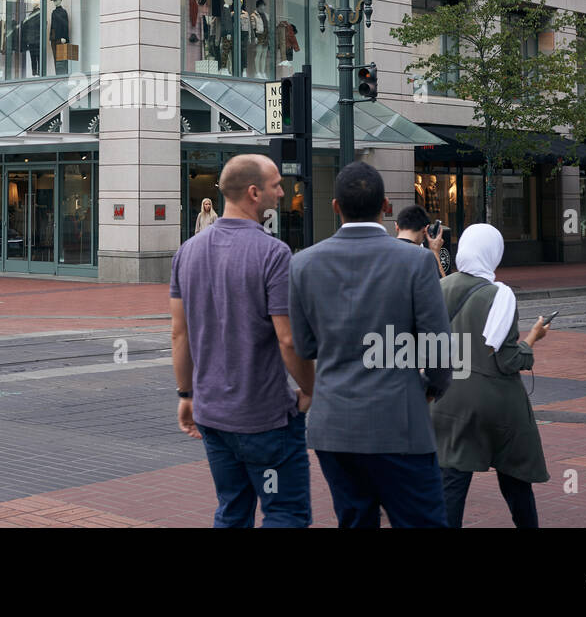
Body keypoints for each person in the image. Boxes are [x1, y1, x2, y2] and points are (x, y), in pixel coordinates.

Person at [289, 161, 453, 528]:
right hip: (401, 422)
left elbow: (304, 345)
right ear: (386, 205)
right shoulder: (416, 261)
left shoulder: (302, 265)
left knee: (355, 520)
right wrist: (430, 389)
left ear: (335, 206)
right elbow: (439, 347)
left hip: (335, 427)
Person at [169, 154, 314, 528]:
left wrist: (186, 396)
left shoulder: (187, 252)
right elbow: (287, 339)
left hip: (212, 415)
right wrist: (310, 388)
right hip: (265, 417)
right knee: (285, 512)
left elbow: (179, 332)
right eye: (276, 185)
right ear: (254, 192)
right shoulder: (274, 253)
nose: (283, 192)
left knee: (232, 509)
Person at [432, 223, 552, 528]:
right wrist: (533, 338)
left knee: (452, 481)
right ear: (494, 252)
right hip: (496, 403)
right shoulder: (500, 295)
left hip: (447, 399)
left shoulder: (438, 288)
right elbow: (508, 359)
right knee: (515, 476)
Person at [394, 205, 447, 279]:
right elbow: (443, 287)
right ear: (425, 230)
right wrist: (435, 252)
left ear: (396, 226)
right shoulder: (424, 257)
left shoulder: (381, 252)